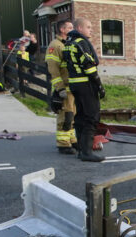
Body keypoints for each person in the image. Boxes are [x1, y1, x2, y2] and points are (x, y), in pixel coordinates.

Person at [64, 18, 105, 162]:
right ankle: (87, 152)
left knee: (80, 117)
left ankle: (82, 150)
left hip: (75, 85)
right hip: (85, 85)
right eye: (88, 27)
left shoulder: (69, 43)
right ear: (79, 28)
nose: (91, 30)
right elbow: (89, 66)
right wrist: (99, 85)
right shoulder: (81, 43)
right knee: (91, 117)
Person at [46, 20, 77, 155]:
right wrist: (60, 88)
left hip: (72, 88)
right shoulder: (55, 46)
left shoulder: (67, 44)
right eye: (70, 27)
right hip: (64, 88)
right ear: (62, 30)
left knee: (72, 115)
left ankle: (71, 139)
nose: (73, 29)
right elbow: (53, 70)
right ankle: (63, 144)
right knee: (65, 116)